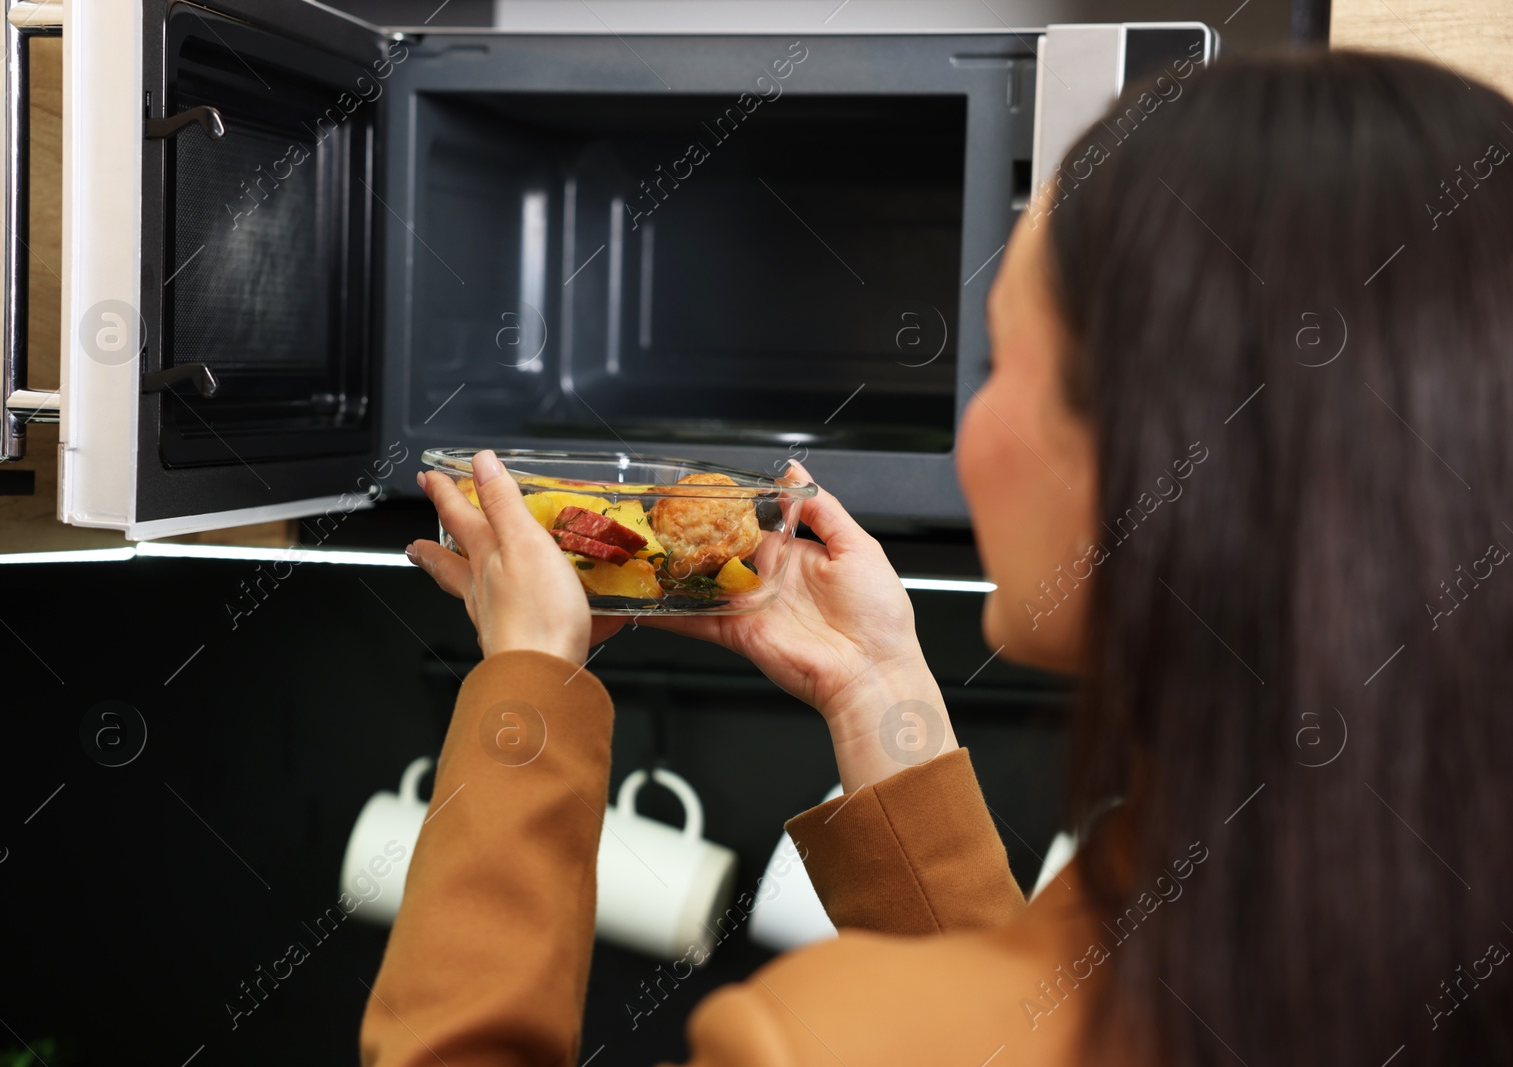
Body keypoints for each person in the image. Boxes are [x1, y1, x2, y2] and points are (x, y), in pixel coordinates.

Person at [361, 50, 1513, 1066]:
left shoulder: (810, 1043)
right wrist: (878, 698)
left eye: (1000, 357)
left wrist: (525, 687)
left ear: (1144, 447)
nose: (970, 427)